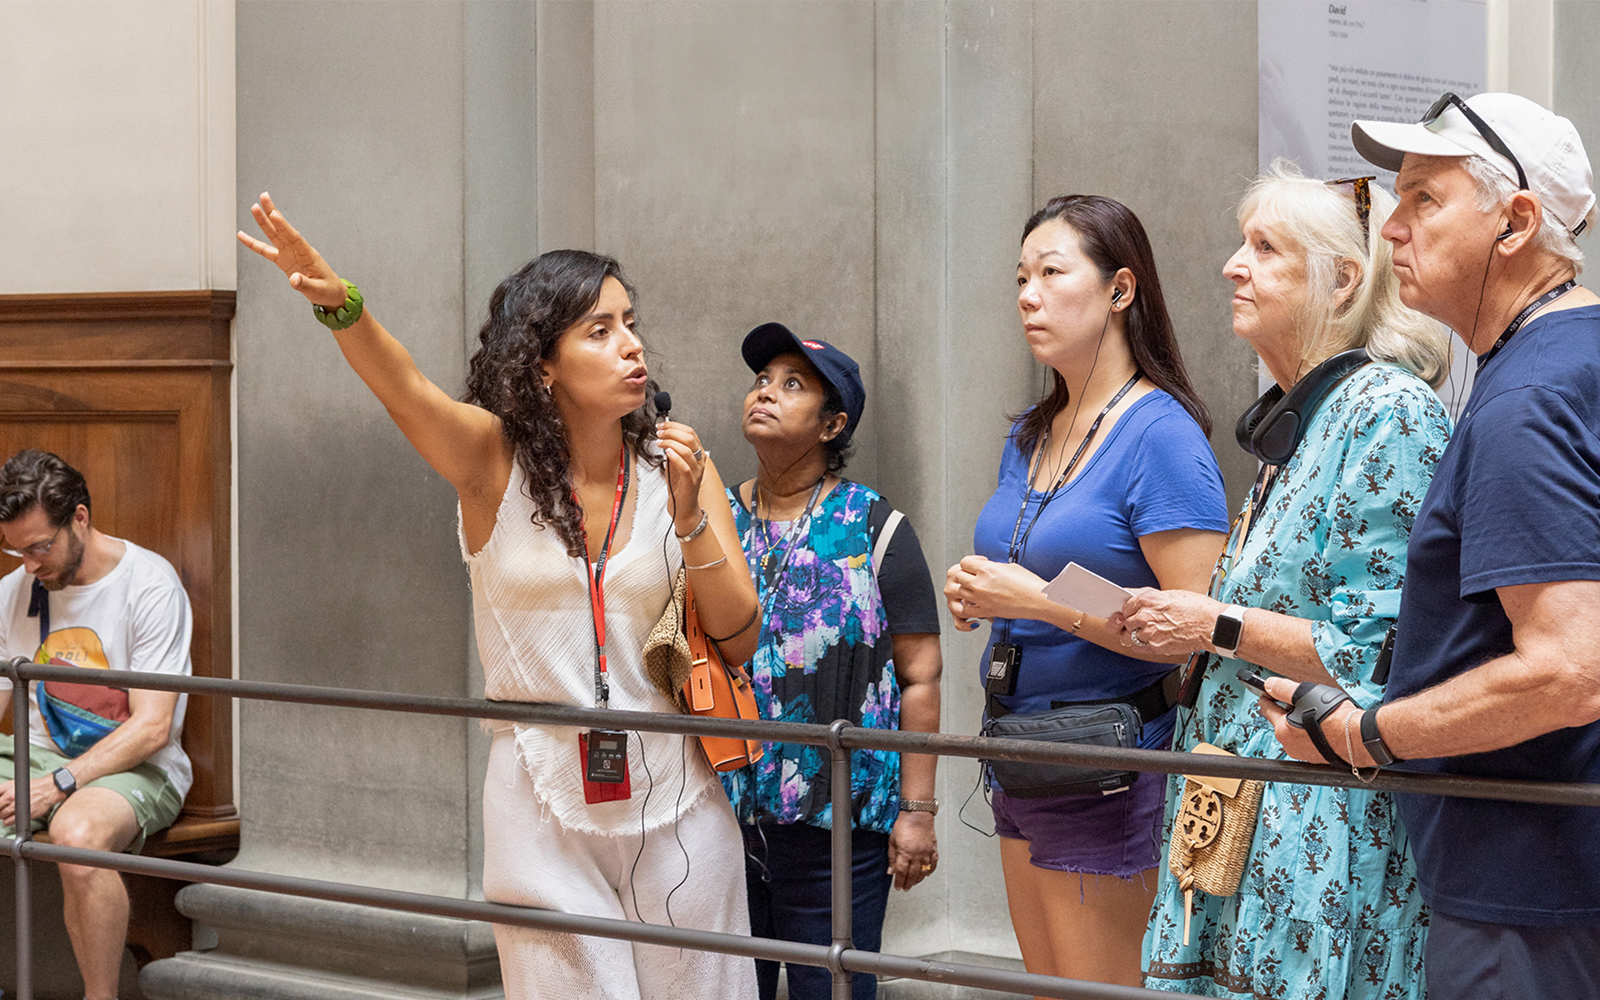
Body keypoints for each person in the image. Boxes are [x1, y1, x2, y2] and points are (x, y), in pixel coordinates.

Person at [239, 194, 760, 999]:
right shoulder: (491, 460)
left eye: (631, 324)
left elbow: (740, 638)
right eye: (600, 330)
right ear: (542, 363)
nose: (632, 347)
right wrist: (338, 304)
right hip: (538, 790)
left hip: (678, 792)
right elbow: (406, 389)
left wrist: (691, 520)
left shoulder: (678, 465)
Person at [1263, 93, 1600, 1000]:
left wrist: (1365, 733)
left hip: (1529, 887)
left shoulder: (1527, 400)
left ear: (1516, 221)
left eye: (1423, 199)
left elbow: (1571, 670)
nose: (1393, 229)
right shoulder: (1572, 365)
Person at [1116, 162, 1453, 999]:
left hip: (1322, 822)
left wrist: (1211, 623)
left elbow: (1372, 654)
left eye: (1265, 249)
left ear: (1342, 280)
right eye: (1242, 244)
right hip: (1239, 805)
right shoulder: (1307, 420)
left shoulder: (1389, 411)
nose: (1234, 265)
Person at [943, 195, 1230, 990]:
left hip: (1112, 760)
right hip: (1021, 749)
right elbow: (1024, 560)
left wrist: (1036, 602)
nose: (1028, 294)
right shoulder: (1031, 430)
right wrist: (981, 590)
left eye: (1051, 272)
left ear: (1120, 289)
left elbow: (1199, 635)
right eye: (1020, 278)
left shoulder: (1161, 433)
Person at [721, 323, 943, 1000]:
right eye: (762, 380)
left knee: (833, 991)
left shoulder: (875, 526)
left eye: (793, 385)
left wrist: (918, 811)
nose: (767, 393)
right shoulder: (716, 519)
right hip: (723, 821)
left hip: (837, 831)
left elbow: (921, 675)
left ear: (832, 423)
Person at [0, 449, 192, 1000]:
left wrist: (57, 785)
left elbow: (153, 728)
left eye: (40, 547)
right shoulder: (16, 588)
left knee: (77, 838)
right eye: (16, 549)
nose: (30, 565)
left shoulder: (150, 585)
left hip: (136, 765)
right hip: (34, 754)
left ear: (79, 518)